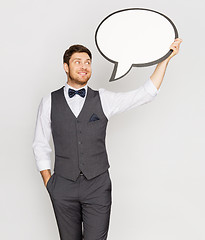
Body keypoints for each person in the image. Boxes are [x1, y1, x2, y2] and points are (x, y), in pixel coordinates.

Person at [32, 38, 182, 240]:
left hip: (97, 186)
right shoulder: (49, 101)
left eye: (87, 62)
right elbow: (40, 144)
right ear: (65, 67)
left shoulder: (103, 98)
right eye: (77, 62)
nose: (84, 66)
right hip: (63, 186)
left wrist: (165, 59)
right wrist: (49, 183)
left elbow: (145, 93)